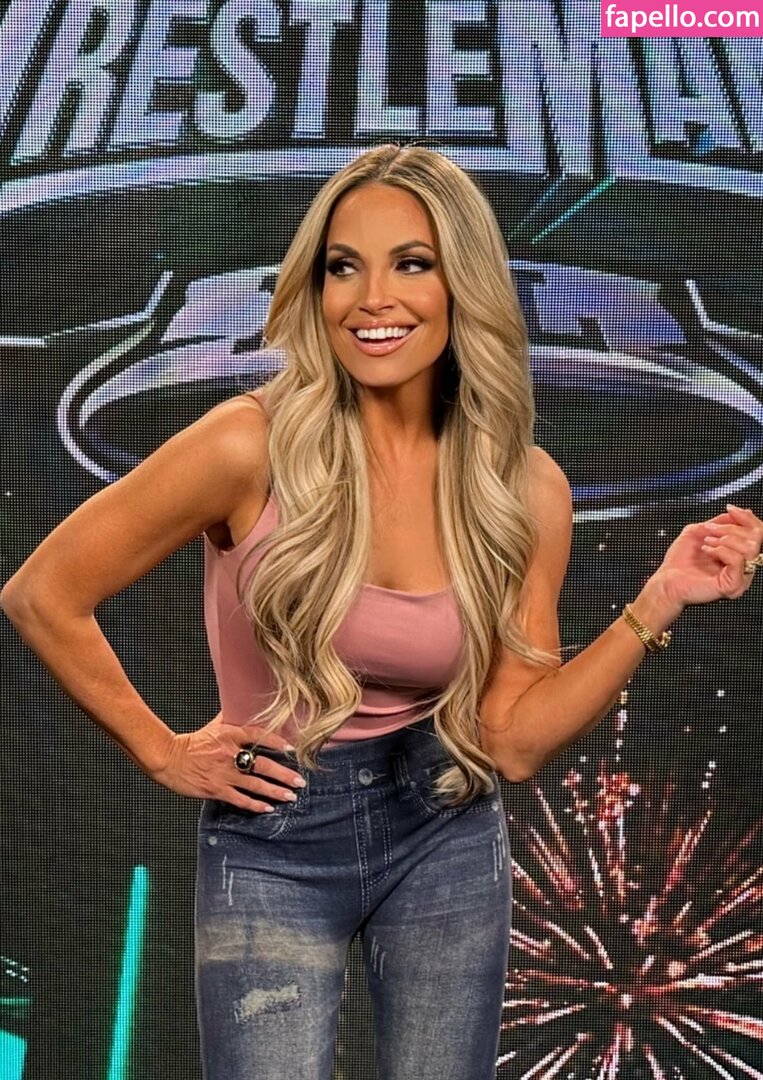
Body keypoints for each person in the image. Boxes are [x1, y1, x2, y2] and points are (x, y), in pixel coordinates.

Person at [2, 143, 761, 1080]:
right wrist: (161, 750)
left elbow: (512, 740)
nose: (371, 299)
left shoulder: (523, 488)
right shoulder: (246, 444)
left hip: (445, 824)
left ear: (462, 284)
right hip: (275, 832)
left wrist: (658, 600)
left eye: (410, 263)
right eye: (342, 267)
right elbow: (43, 593)